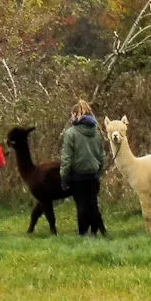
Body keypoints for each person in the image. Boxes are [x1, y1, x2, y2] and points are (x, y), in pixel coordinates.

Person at [61, 99, 107, 237]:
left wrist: (64, 176)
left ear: (76, 114)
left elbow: (67, 158)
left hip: (78, 175)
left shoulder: (70, 133)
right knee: (93, 203)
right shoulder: (97, 133)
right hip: (93, 174)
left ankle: (82, 233)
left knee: (81, 205)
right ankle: (95, 231)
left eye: (72, 114)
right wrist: (99, 171)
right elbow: (102, 156)